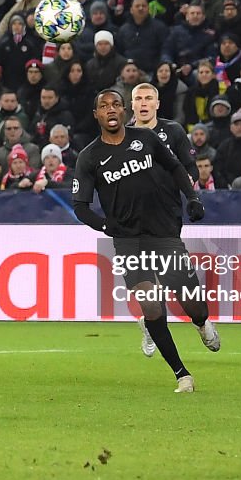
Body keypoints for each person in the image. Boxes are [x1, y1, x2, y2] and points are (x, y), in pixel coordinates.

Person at [72, 89, 217, 394]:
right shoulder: (89, 157)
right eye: (103, 106)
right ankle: (182, 375)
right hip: (128, 241)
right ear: (96, 115)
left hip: (164, 234)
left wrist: (192, 197)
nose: (110, 110)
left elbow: (177, 167)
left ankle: (201, 322)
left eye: (115, 105)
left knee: (194, 305)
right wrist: (104, 224)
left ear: (124, 111)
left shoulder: (147, 139)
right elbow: (81, 206)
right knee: (151, 306)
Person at [130, 82, 198, 182]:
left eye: (148, 98)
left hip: (169, 194)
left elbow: (191, 167)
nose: (143, 103)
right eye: (138, 98)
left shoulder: (174, 130)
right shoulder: (123, 135)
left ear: (157, 104)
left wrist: (189, 179)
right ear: (132, 105)